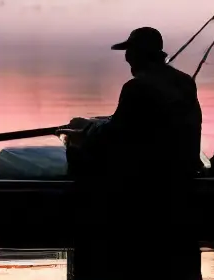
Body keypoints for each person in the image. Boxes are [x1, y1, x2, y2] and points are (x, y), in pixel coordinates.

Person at [61, 26, 203, 206]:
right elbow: (140, 122)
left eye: (129, 51)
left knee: (77, 148)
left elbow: (113, 135)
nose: (126, 57)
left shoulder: (136, 87)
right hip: (185, 167)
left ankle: (86, 209)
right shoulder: (186, 81)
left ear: (137, 55)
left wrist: (85, 132)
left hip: (153, 174)